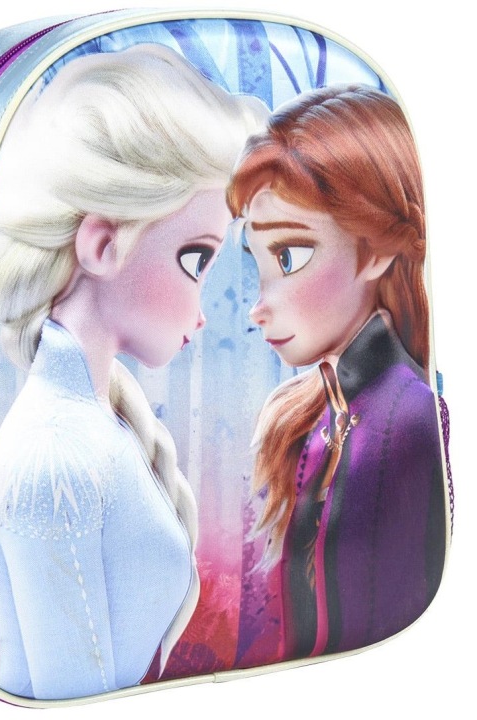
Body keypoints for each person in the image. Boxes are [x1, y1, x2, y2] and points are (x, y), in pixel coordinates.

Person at [0, 44, 268, 700]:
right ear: (103, 245)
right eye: (195, 260)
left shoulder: (95, 421)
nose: (203, 310)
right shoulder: (56, 453)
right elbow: (74, 697)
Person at [226, 84, 446, 661]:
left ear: (375, 250)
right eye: (259, 262)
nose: (258, 306)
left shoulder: (404, 417)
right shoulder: (320, 413)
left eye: (289, 257)